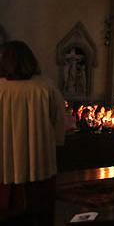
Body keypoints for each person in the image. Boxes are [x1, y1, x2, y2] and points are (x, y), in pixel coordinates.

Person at [0, 41, 65, 225]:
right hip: (39, 167)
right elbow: (59, 124)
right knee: (39, 216)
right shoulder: (46, 88)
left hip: (4, 169)